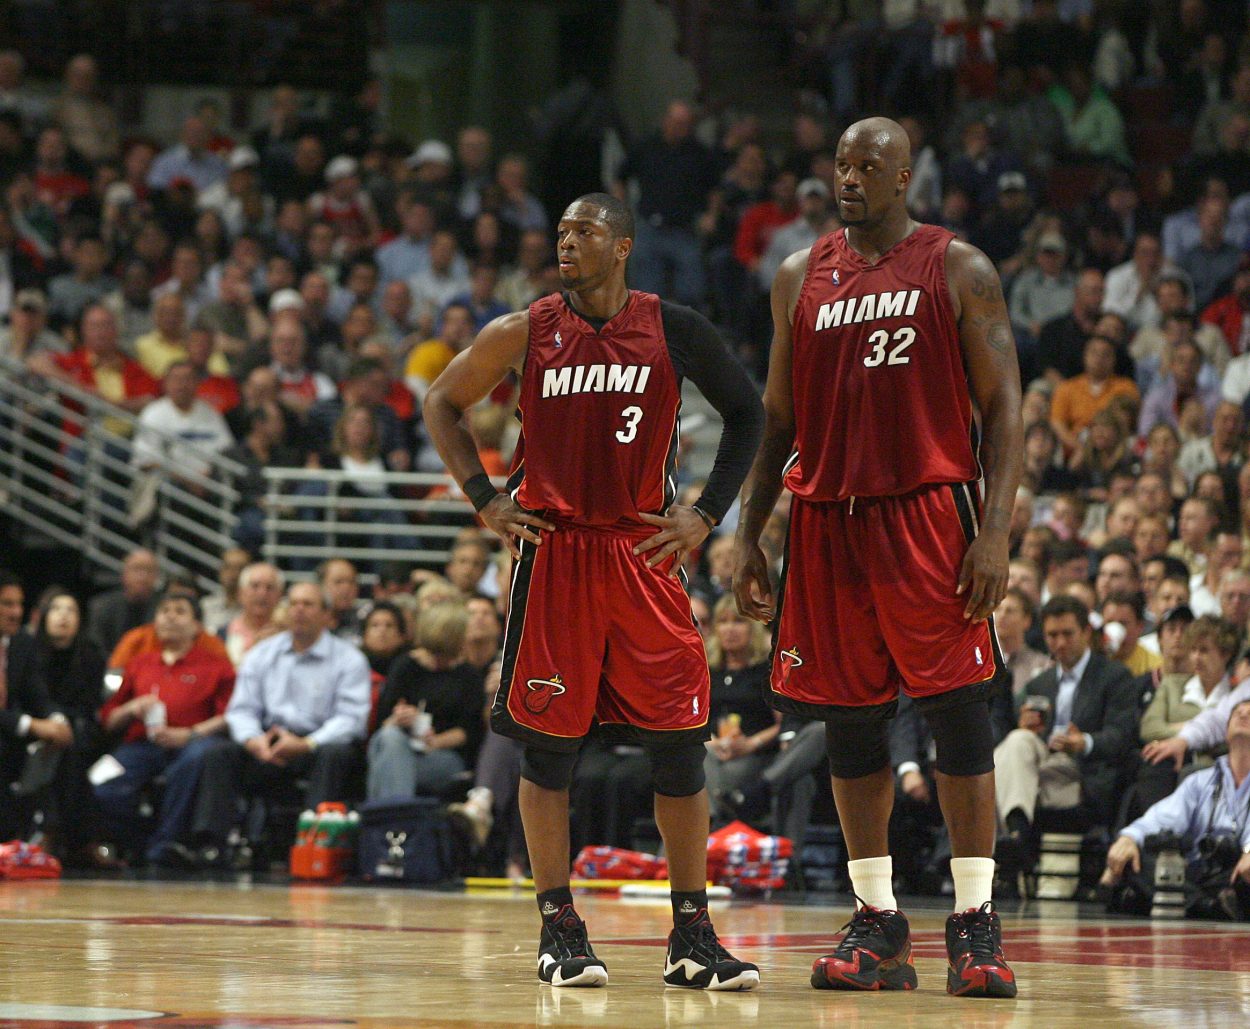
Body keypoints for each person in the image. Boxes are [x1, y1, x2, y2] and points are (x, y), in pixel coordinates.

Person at [424, 191, 762, 990]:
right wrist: (486, 498)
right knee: (549, 751)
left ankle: (692, 933)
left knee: (679, 749)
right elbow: (442, 401)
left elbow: (748, 414)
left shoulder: (672, 326)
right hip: (558, 554)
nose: (566, 242)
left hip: (642, 554)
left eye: (585, 232)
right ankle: (560, 926)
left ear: (623, 246)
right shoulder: (527, 328)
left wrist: (706, 514)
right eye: (562, 231)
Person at [732, 117, 1023, 999]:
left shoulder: (958, 266)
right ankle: (878, 919)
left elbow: (1005, 403)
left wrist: (997, 527)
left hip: (926, 510)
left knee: (958, 716)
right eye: (841, 164)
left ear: (904, 179)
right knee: (849, 725)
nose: (849, 177)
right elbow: (778, 418)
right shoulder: (797, 276)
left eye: (869, 166)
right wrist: (751, 530)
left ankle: (974, 921)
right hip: (826, 519)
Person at [189, 582, 370, 865]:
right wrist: (253, 740)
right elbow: (241, 709)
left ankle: (314, 842)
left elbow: (351, 719)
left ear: (325, 614)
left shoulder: (348, 658)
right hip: (268, 742)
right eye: (294, 604)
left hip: (317, 744)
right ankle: (211, 844)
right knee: (217, 753)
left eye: (308, 604)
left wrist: (308, 743)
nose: (299, 610)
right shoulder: (262, 654)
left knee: (336, 754)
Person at [95, 591, 234, 866]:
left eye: (180, 611)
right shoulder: (139, 664)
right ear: (155, 622)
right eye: (164, 611)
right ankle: (140, 841)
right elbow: (108, 718)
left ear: (197, 626)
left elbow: (229, 716)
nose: (170, 616)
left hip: (190, 744)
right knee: (100, 784)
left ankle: (165, 844)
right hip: (142, 745)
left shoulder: (217, 666)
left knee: (197, 759)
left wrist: (191, 733)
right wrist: (131, 708)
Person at [1103, 699, 1250, 920]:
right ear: (1225, 732)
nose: (1243, 714)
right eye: (1237, 712)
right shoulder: (1200, 781)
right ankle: (1208, 906)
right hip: (1198, 872)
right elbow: (1163, 816)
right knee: (1137, 859)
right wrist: (1130, 838)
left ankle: (1186, 901)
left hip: (1240, 873)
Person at [366, 603, 483, 800]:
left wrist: (434, 741)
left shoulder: (468, 676)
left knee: (387, 767)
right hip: (401, 744)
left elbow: (469, 731)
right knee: (390, 739)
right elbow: (383, 724)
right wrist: (399, 718)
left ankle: (386, 821)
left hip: (441, 754)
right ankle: (400, 818)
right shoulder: (405, 666)